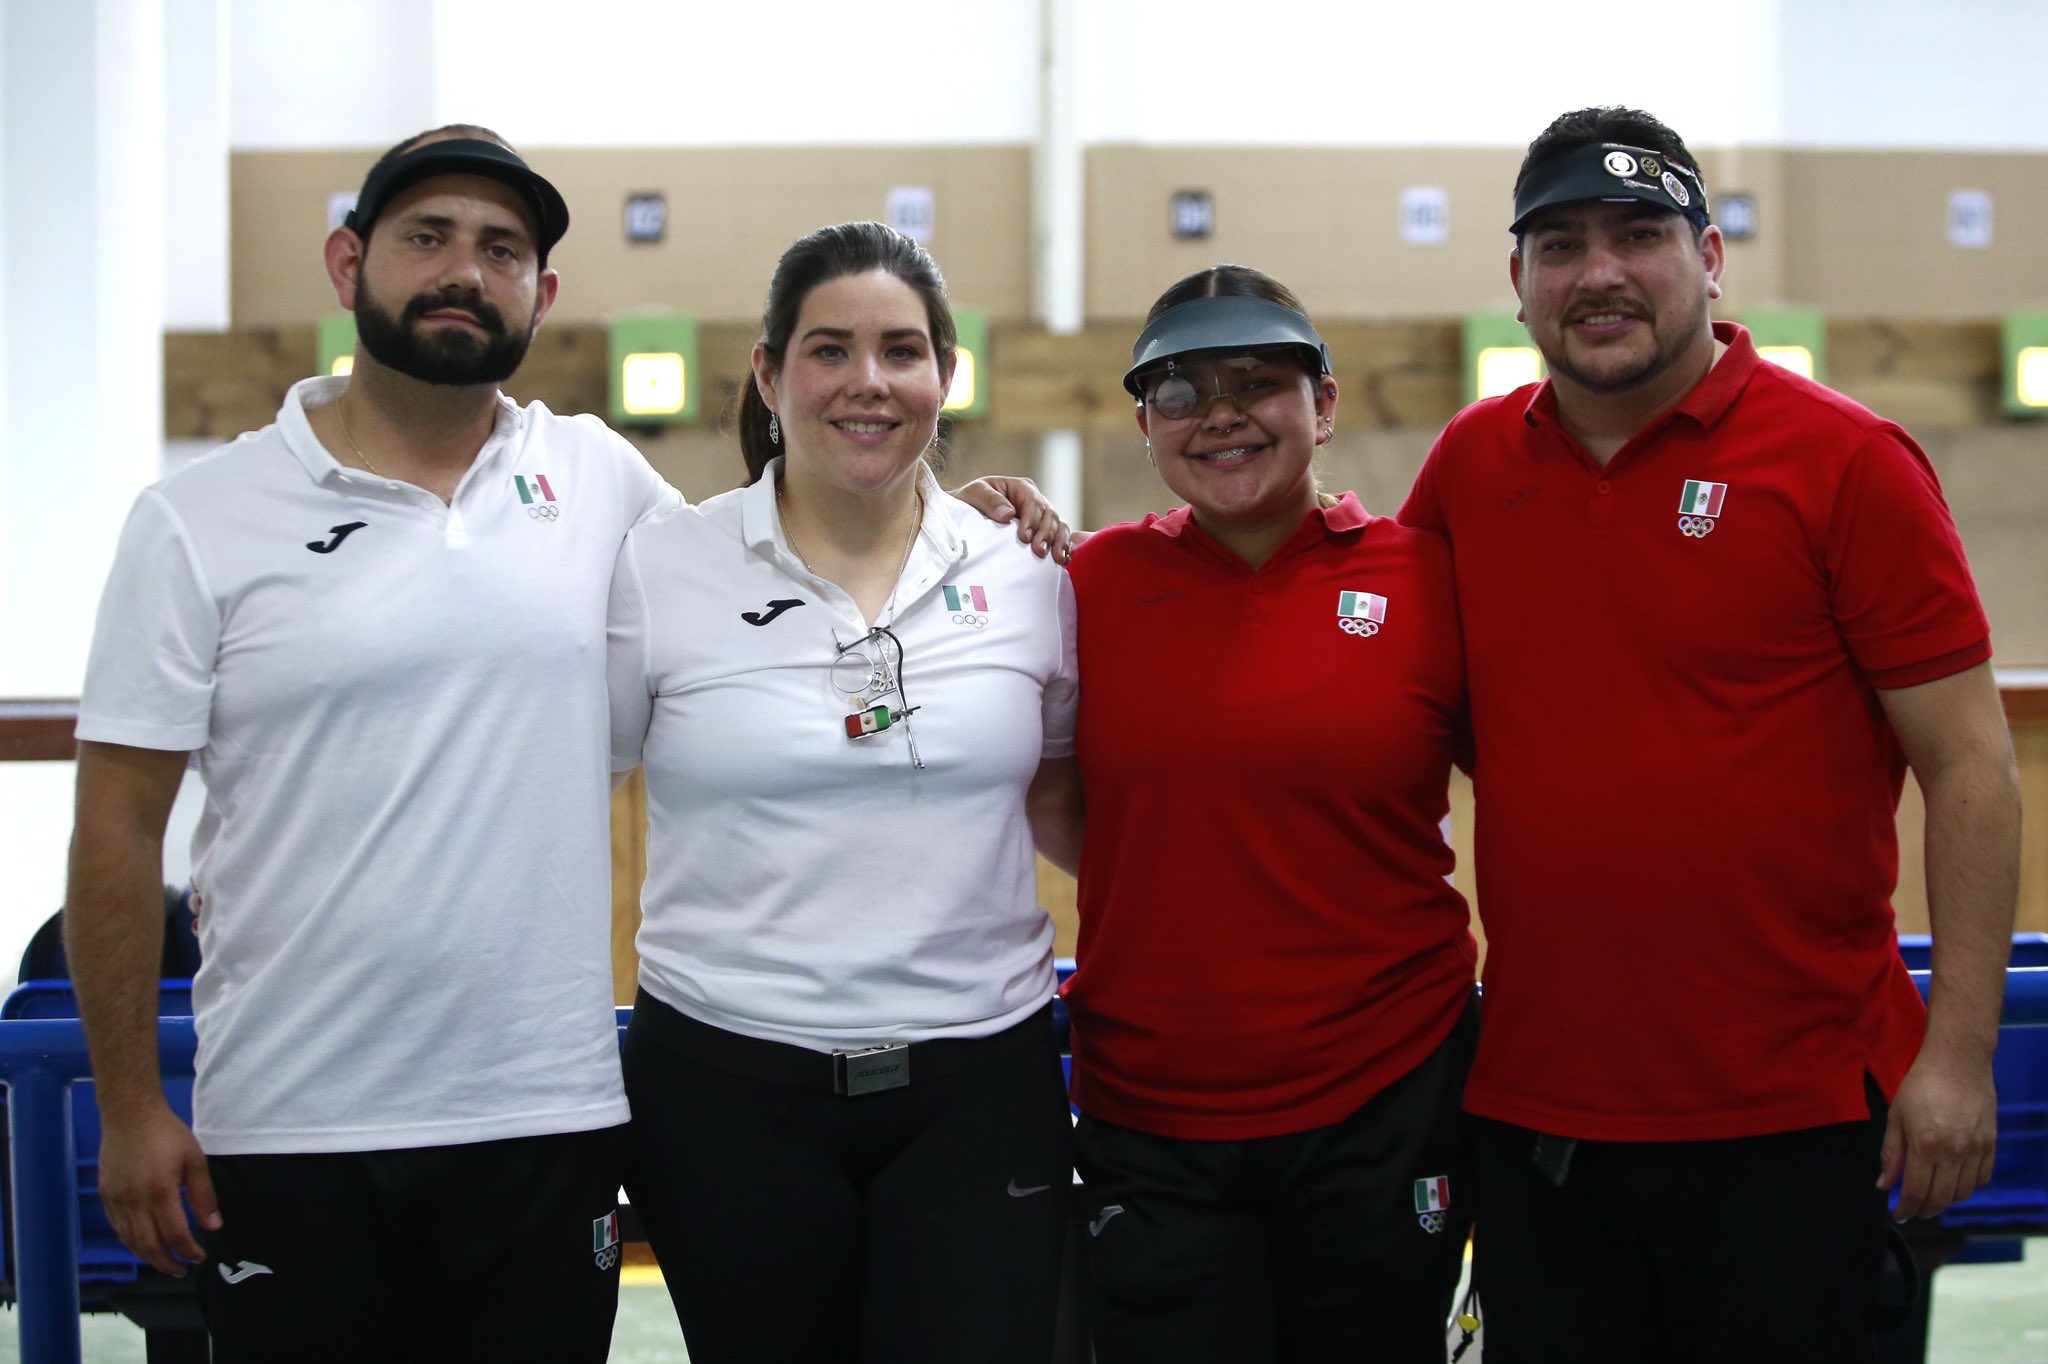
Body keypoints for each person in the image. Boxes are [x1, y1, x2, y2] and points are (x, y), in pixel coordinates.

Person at [65, 131, 1064, 1362]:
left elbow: (806, 525)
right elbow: (114, 819)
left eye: (501, 250)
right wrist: (128, 1102)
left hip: (546, 1109)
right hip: (290, 1114)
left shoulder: (596, 482)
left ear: (540, 292)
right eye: (425, 237)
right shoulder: (197, 520)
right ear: (346, 262)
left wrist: (955, 515)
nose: (462, 272)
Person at [1398, 106, 2022, 1361]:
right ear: (1516, 281)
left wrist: (1955, 1056)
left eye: (1639, 234)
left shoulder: (1845, 461)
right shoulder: (1469, 467)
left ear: (1708, 256)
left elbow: (1971, 766)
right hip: (1539, 1111)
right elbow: (1355, 659)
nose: (1601, 273)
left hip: (1792, 1118)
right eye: (1561, 244)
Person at [606, 221, 1079, 1363]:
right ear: (769, 376)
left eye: (900, 350)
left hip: (976, 1080)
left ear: (943, 375)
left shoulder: (1028, 576)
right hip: (725, 1083)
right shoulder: (657, 566)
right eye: (828, 350)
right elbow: (553, 788)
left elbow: (1069, 799)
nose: (866, 381)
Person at [1042, 266, 1479, 1362]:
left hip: (1388, 1090)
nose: (1220, 411)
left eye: (1255, 380)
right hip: (1153, 1112)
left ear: (1322, 404)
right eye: (1180, 391)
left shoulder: (1427, 578)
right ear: (1145, 426)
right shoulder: (1083, 586)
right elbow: (1048, 791)